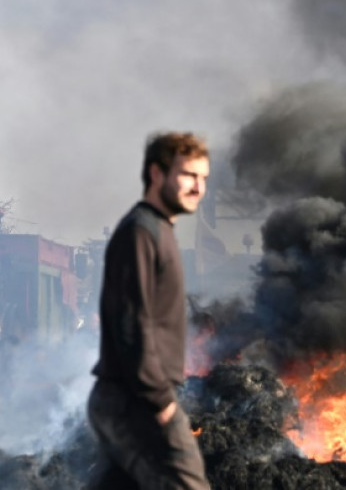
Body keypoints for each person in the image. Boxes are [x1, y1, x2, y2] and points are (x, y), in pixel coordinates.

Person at [87, 131, 211, 489]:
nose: (198, 187)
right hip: (135, 402)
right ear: (156, 174)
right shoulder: (141, 233)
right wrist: (161, 402)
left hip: (129, 399)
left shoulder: (159, 230)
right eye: (188, 175)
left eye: (203, 178)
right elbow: (132, 323)